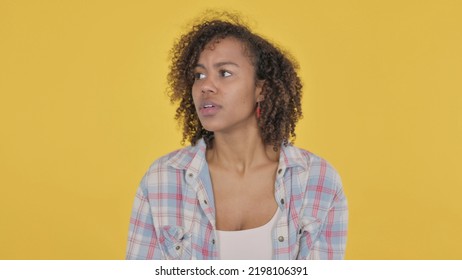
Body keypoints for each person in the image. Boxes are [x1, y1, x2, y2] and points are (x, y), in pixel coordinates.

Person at [126, 13, 348, 260]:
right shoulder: (162, 179)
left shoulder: (316, 181)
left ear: (261, 89)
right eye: (199, 75)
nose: (205, 86)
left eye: (224, 73)